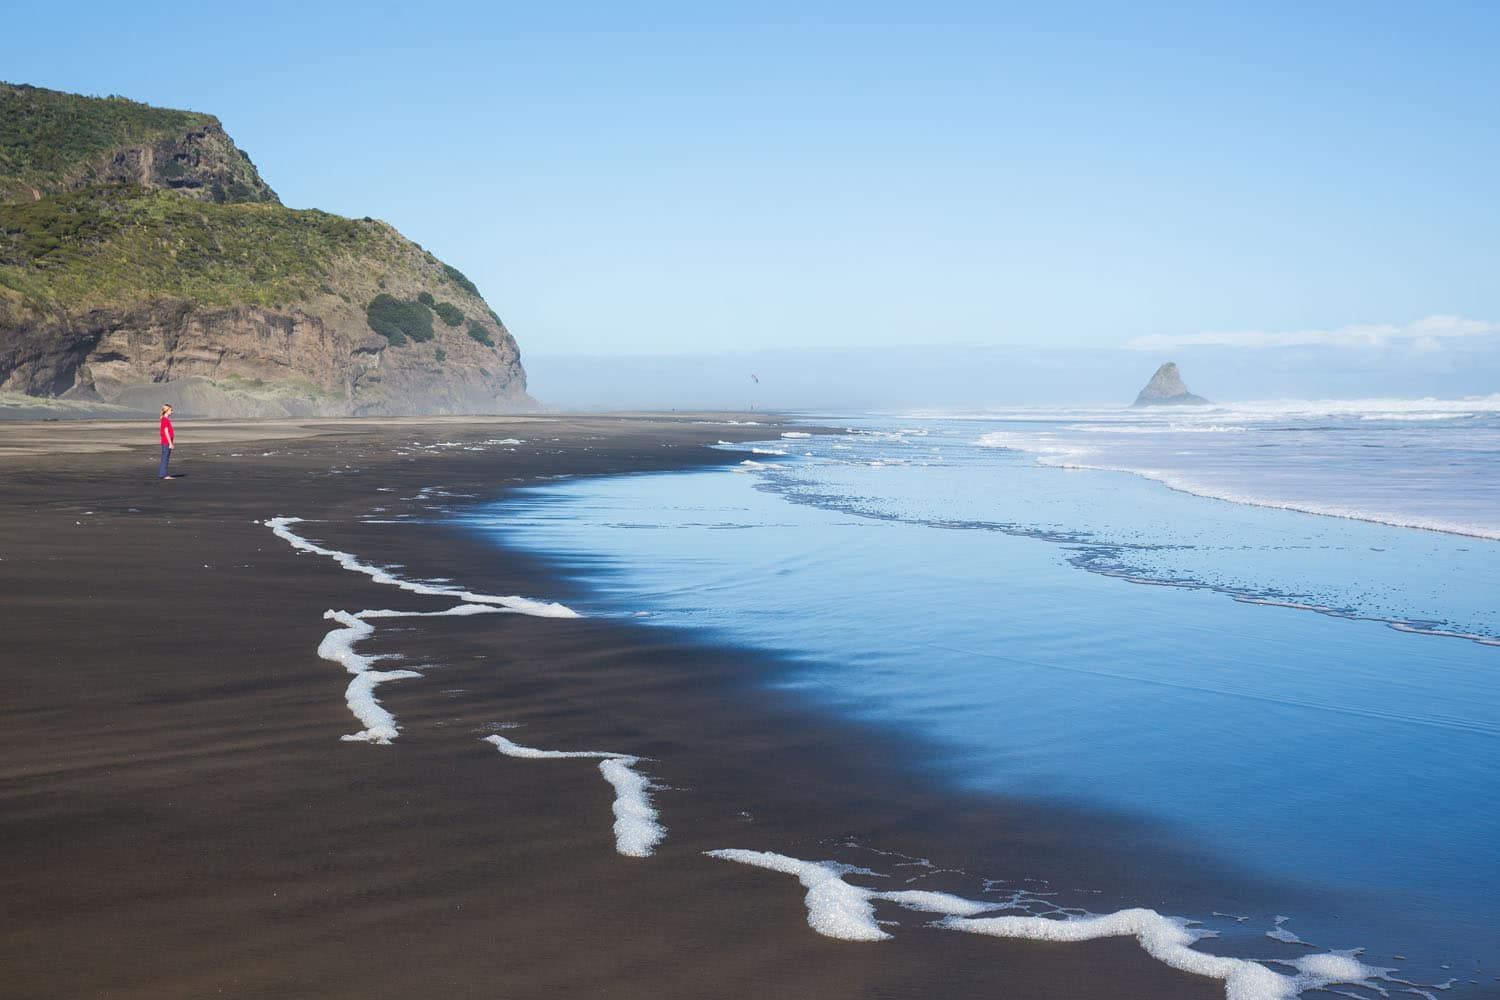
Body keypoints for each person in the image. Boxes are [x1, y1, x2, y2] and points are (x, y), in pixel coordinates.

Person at [158, 404, 175, 480]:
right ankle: (164, 475)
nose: (172, 412)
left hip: (166, 442)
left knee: (165, 458)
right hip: (166, 442)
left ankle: (163, 474)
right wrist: (170, 443)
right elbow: (166, 431)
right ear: (167, 410)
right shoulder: (165, 419)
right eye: (171, 410)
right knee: (165, 458)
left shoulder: (165, 419)